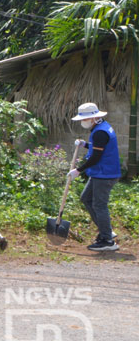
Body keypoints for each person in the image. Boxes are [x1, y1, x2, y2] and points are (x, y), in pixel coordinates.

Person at [68, 102, 121, 252]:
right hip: (101, 172)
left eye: (84, 120)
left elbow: (96, 157)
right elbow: (98, 147)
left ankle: (107, 241)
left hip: (104, 174)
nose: (82, 123)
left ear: (94, 118)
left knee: (99, 205)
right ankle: (106, 231)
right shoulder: (102, 128)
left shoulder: (99, 132)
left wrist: (78, 170)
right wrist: (85, 144)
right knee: (86, 198)